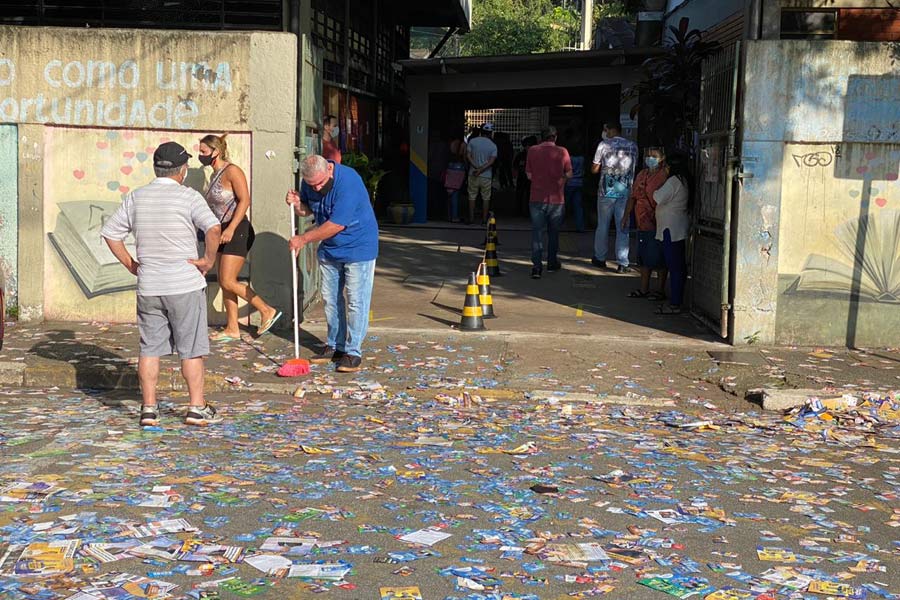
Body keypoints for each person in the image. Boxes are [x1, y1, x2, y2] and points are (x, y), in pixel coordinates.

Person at [100, 141, 223, 427]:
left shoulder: (137, 197)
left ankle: (149, 409)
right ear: (182, 170)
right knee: (191, 348)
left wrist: (131, 264)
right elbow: (213, 228)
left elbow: (110, 234)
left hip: (150, 285)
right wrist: (207, 260)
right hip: (184, 284)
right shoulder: (188, 197)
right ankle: (196, 407)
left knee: (150, 348)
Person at [285, 155, 378, 373]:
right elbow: (309, 211)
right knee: (330, 299)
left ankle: (353, 351)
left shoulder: (349, 181)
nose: (316, 188)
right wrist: (298, 203)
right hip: (330, 248)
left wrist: (303, 239)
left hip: (358, 246)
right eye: (311, 185)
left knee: (356, 300)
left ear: (329, 168)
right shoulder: (310, 180)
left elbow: (336, 224)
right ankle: (335, 345)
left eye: (319, 183)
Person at [199, 134, 281, 342]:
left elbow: (245, 200)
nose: (200, 156)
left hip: (237, 229)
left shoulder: (232, 171)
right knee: (225, 281)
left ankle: (266, 309)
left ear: (216, 152)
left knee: (228, 280)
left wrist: (231, 228)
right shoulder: (214, 175)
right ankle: (232, 327)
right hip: (221, 229)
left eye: (203, 152)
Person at [621, 147, 669, 300]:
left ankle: (660, 290)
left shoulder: (665, 175)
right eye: (647, 156)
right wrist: (625, 216)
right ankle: (644, 289)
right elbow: (633, 197)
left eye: (654, 156)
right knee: (643, 257)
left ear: (662, 158)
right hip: (642, 222)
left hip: (659, 222)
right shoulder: (642, 174)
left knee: (660, 257)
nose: (650, 159)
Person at [526, 126, 572, 279]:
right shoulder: (563, 151)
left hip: (536, 198)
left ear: (541, 137)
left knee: (537, 233)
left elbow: (528, 174)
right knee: (554, 233)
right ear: (555, 137)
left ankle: (536, 267)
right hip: (556, 199)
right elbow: (569, 173)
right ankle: (552, 262)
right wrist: (560, 181)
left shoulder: (532, 150)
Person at [591, 120, 638, 273]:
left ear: (611, 130)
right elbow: (633, 168)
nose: (604, 133)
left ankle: (600, 258)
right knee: (622, 225)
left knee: (603, 225)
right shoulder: (632, 146)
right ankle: (623, 263)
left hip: (606, 190)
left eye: (606, 129)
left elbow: (594, 169)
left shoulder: (603, 145)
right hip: (625, 190)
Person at [653, 152, 692, 315]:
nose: (665, 169)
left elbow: (657, 197)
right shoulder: (682, 180)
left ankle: (675, 303)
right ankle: (676, 300)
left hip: (671, 229)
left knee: (675, 267)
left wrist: (659, 183)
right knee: (677, 267)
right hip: (675, 227)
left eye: (666, 166)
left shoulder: (673, 181)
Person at [466, 122, 498, 225]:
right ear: (490, 133)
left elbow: (468, 156)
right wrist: (481, 169)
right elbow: (491, 162)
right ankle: (484, 220)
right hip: (486, 176)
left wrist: (476, 167)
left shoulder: (472, 141)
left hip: (473, 173)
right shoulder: (493, 145)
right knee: (486, 198)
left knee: (472, 196)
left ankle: (471, 219)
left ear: (481, 131)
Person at [443, 131, 467, 222]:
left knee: (450, 192)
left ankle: (448, 215)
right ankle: (455, 216)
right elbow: (464, 157)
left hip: (450, 167)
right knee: (456, 193)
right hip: (459, 167)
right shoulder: (463, 144)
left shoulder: (450, 143)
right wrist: (466, 167)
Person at [514, 135, 537, 217]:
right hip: (521, 178)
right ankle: (518, 211)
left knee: (529, 196)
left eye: (529, 145)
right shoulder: (520, 155)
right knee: (520, 195)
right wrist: (515, 176)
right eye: (527, 145)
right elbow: (515, 167)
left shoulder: (536, 156)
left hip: (531, 179)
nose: (528, 147)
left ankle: (528, 211)